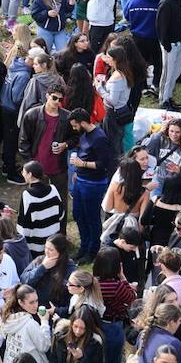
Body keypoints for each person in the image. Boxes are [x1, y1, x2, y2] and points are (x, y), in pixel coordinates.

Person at [65, 109, 114, 262]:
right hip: (80, 180)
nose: (74, 128)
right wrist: (78, 170)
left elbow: (104, 164)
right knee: (79, 214)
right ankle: (84, 247)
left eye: (75, 125)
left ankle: (93, 250)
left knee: (91, 217)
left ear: (83, 123)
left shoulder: (99, 138)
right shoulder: (85, 135)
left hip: (93, 184)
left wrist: (82, 164)